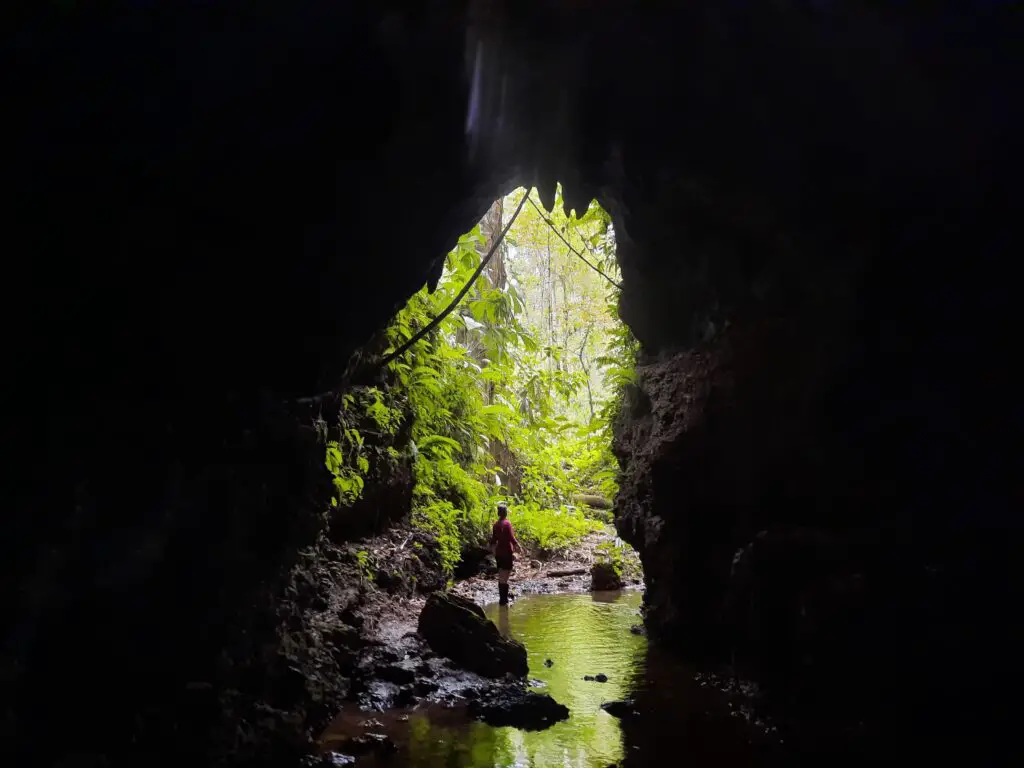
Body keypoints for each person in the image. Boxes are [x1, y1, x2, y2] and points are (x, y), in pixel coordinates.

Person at [490, 502, 521, 605]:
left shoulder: (495, 524)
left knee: (501, 574)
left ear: (498, 513)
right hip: (507, 552)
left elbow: (493, 540)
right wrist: (518, 546)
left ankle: (502, 600)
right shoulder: (507, 524)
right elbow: (511, 538)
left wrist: (494, 552)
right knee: (505, 576)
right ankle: (504, 600)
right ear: (506, 513)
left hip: (499, 552)